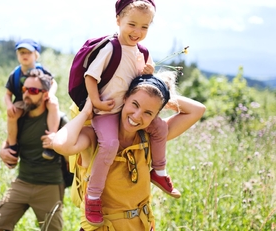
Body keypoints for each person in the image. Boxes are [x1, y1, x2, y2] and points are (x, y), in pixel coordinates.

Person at [50, 73, 206, 230]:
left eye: (148, 113)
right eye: (135, 104)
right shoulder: (95, 137)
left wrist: (160, 95)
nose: (137, 116)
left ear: (155, 116)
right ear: (124, 98)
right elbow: (61, 145)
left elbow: (197, 110)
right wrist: (85, 113)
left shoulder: (150, 138)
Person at [77, 0, 179, 225]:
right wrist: (96, 103)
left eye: (144, 27)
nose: (138, 32)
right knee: (110, 144)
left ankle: (159, 171)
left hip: (130, 110)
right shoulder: (110, 48)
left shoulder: (142, 51)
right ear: (118, 20)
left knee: (160, 127)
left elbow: (146, 81)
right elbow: (90, 77)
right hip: (107, 112)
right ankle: (93, 196)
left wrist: (149, 71)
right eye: (132, 24)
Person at [0, 69, 64, 231]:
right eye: (25, 89)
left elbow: (74, 147)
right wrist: (3, 151)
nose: (26, 95)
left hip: (49, 185)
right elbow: (9, 141)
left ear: (45, 95)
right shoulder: (19, 117)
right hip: (22, 182)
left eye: (33, 90)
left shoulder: (58, 119)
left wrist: (57, 140)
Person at [4, 38, 60, 160]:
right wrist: (9, 105)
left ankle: (51, 140)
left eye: (28, 52)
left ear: (36, 55)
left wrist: (50, 94)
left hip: (41, 99)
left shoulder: (42, 70)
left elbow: (53, 83)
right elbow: (7, 93)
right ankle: (13, 146)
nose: (25, 55)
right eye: (21, 52)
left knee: (53, 104)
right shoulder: (15, 74)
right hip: (22, 101)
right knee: (12, 115)